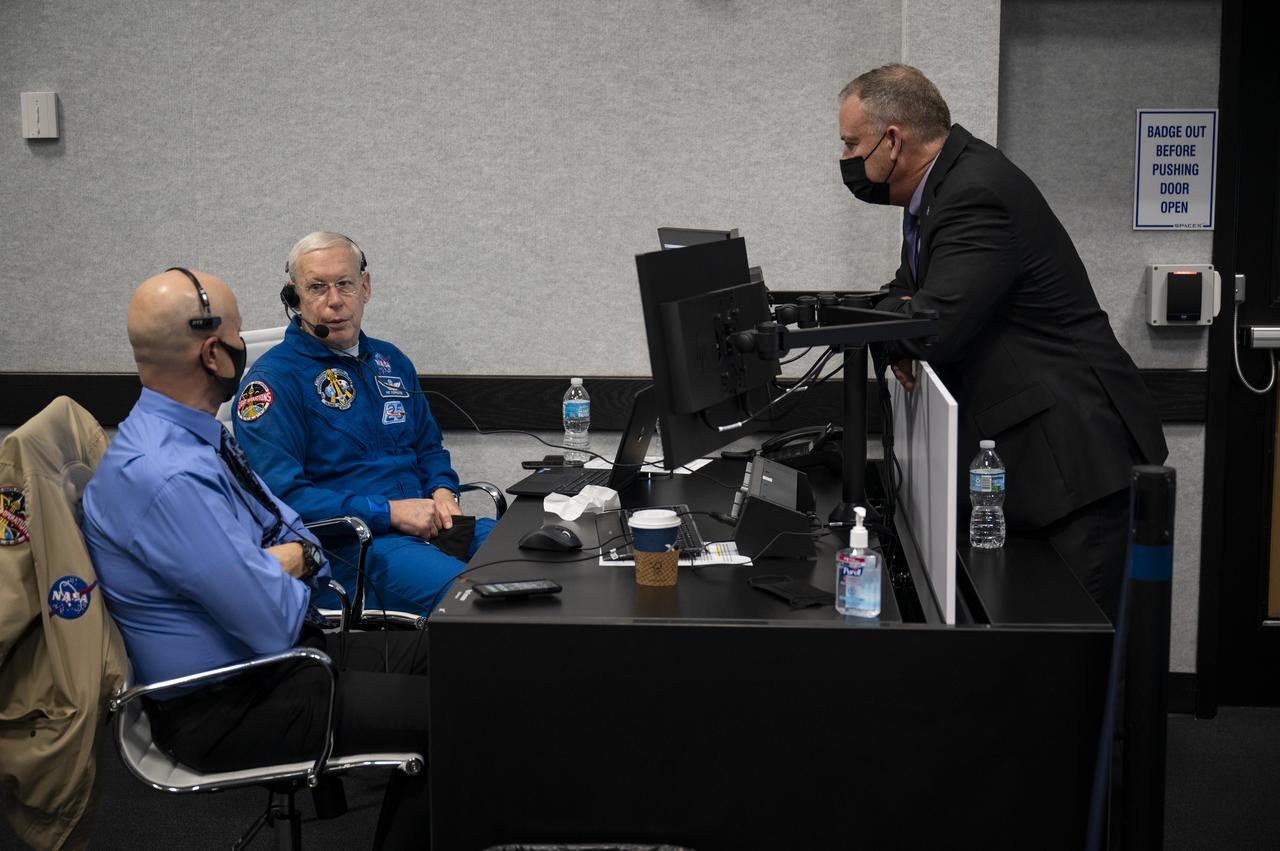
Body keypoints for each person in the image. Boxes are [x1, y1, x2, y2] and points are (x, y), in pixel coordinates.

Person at [80, 267, 428, 850]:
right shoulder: (165, 476)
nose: (248, 347)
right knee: (463, 706)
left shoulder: (197, 436)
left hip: (280, 658)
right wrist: (290, 560)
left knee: (463, 656)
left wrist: (282, 559)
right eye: (240, 335)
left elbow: (290, 527)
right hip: (230, 699)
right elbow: (269, 620)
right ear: (215, 354)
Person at [837, 64, 1168, 621]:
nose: (846, 159)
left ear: (892, 141)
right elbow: (908, 293)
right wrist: (898, 332)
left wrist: (901, 333)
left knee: (1070, 656)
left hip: (1073, 458)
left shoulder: (975, 192)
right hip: (1036, 454)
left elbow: (935, 325)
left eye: (851, 143)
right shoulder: (936, 193)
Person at [233, 231, 494, 616]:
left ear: (365, 287)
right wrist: (388, 512)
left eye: (345, 284)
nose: (334, 301)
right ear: (294, 297)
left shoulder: (391, 361)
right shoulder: (273, 382)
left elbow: (429, 449)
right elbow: (279, 499)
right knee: (478, 603)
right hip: (353, 548)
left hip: (431, 527)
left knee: (534, 562)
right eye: (317, 288)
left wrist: (442, 489)